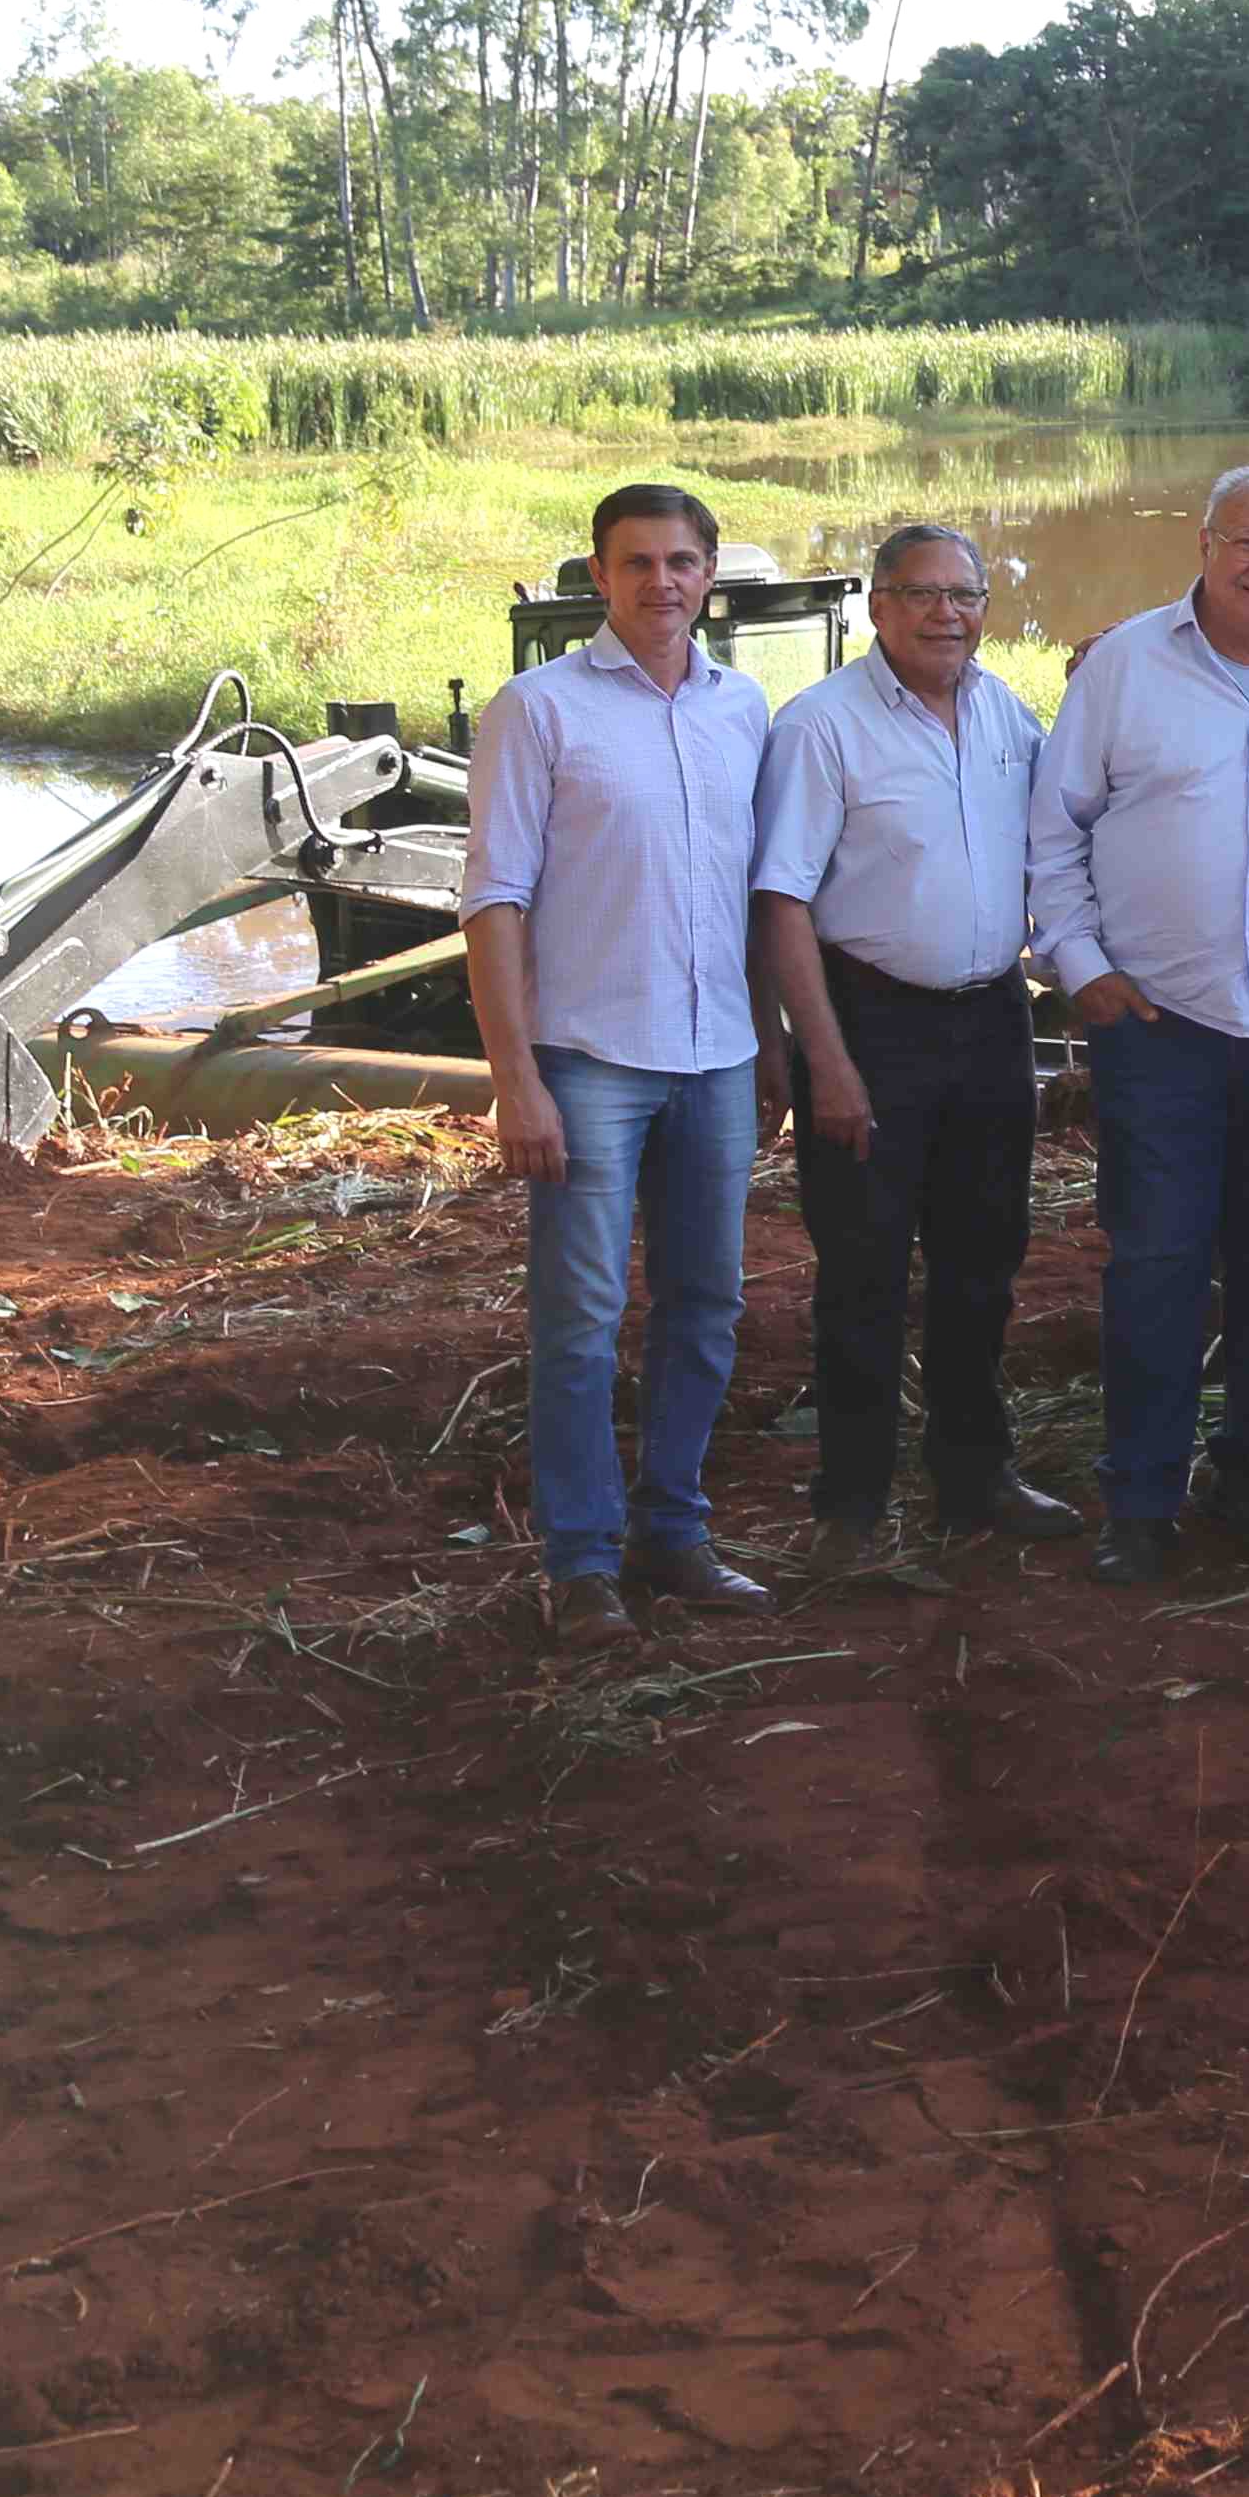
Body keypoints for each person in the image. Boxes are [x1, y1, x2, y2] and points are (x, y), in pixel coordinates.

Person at [1029, 465, 1249, 1585]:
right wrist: (1081, 968)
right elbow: (1054, 834)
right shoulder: (1125, 668)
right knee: (1157, 1261)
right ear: (1202, 544)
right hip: (1156, 1024)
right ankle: (1139, 1499)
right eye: (1246, 543)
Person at [462, 482, 779, 1643]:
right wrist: (516, 1080)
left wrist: (772, 1047)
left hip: (718, 1061)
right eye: (637, 563)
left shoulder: (743, 708)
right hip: (590, 1058)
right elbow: (493, 902)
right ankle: (583, 1560)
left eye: (682, 562)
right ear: (597, 577)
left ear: (709, 576)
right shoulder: (538, 710)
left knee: (706, 1306)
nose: (663, 583)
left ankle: (675, 1531)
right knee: (583, 1318)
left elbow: (757, 898)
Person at [751, 522, 1086, 1584]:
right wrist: (828, 1061)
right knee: (863, 1274)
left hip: (990, 1021)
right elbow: (782, 903)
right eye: (923, 594)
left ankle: (974, 1475)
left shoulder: (1006, 715)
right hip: (870, 1024)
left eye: (966, 594)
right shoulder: (821, 727)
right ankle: (851, 1511)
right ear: (878, 608)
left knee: (984, 1259)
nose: (949, 614)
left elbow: (1067, 833)